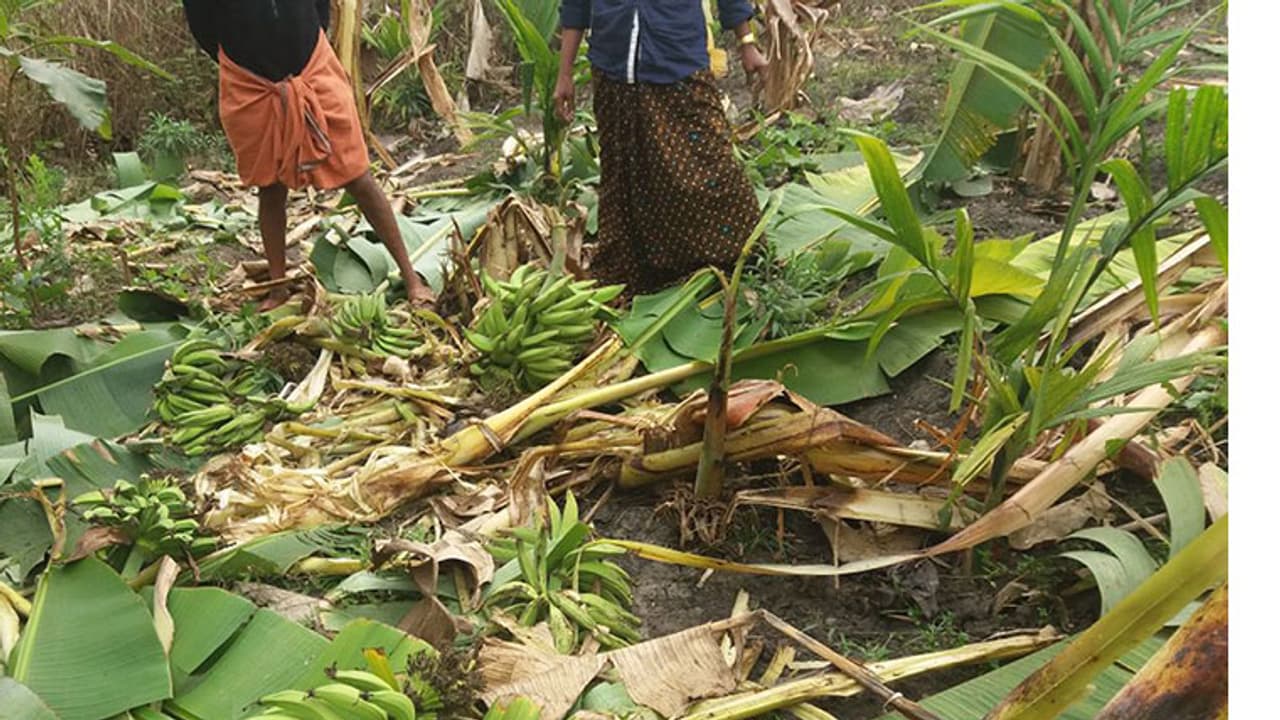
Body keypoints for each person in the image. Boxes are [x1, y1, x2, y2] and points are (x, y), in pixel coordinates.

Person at [182, 0, 433, 309]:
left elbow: (320, 7)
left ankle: (412, 280)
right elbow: (204, 29)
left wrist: (310, 43)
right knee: (270, 187)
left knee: (359, 177)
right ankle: (278, 288)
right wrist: (246, 63)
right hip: (251, 85)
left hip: (314, 69)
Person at [556, 1, 768, 294]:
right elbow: (576, 6)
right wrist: (564, 74)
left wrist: (747, 43)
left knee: (710, 170)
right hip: (613, 69)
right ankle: (643, 276)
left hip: (677, 59)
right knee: (627, 178)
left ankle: (742, 261)